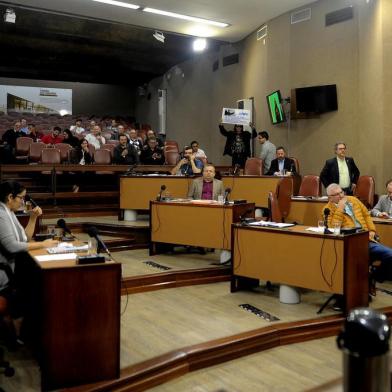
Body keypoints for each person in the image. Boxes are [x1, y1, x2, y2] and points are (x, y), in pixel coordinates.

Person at [0, 181, 58, 345]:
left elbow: (24, 238)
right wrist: (43, 244)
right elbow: (12, 246)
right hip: (2, 273)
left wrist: (33, 218)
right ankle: (20, 330)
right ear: (10, 197)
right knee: (35, 286)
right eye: (21, 198)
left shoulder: (9, 212)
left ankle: (24, 329)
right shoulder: (0, 214)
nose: (23, 202)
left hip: (9, 268)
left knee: (36, 280)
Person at [324, 183, 392, 283]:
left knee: (390, 254)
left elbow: (366, 215)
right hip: (350, 243)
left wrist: (372, 230)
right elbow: (333, 228)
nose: (342, 196)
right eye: (337, 194)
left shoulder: (353, 200)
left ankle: (376, 275)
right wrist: (340, 209)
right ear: (330, 198)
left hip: (366, 239)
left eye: (341, 192)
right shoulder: (327, 209)